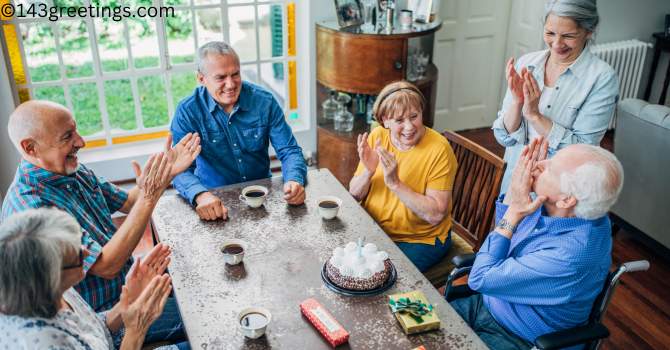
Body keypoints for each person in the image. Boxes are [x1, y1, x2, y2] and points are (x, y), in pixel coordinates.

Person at [1, 100, 200, 346]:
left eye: (75, 131)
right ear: (30, 147)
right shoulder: (33, 208)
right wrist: (150, 194)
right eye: (67, 136)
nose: (81, 142)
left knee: (199, 271)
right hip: (109, 315)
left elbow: (129, 202)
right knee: (204, 310)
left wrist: (165, 171)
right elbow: (107, 265)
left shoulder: (70, 170)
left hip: (120, 300)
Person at [449, 137, 623, 350]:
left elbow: (480, 278)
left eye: (551, 169)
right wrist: (514, 194)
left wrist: (514, 212)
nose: (540, 164)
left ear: (567, 199)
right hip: (488, 302)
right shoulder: (563, 210)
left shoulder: (571, 256)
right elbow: (503, 237)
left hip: (519, 337)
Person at [0, 208, 185, 350]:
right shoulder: (41, 341)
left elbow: (94, 329)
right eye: (78, 257)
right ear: (52, 277)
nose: (87, 252)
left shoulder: (57, 291)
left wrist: (126, 303)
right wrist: (135, 331)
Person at [170, 41, 307, 221]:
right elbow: (178, 169)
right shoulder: (188, 111)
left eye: (235, 74)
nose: (231, 84)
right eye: (221, 77)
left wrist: (294, 180)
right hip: (213, 200)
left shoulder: (264, 101)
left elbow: (289, 151)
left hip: (263, 198)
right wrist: (200, 195)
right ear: (201, 79)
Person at [493, 0, 619, 192]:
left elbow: (582, 153)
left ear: (589, 31)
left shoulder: (601, 79)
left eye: (568, 36)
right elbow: (504, 138)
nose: (557, 44)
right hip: (513, 183)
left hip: (557, 193)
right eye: (550, 33)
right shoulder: (527, 63)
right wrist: (518, 104)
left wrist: (535, 115)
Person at [349, 81, 458, 272]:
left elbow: (435, 214)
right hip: (375, 230)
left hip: (419, 240)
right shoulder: (378, 136)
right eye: (399, 120)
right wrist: (368, 171)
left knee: (376, 279)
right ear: (385, 120)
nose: (409, 127)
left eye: (414, 116)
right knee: (344, 264)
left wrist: (395, 183)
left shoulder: (439, 150)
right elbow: (355, 194)